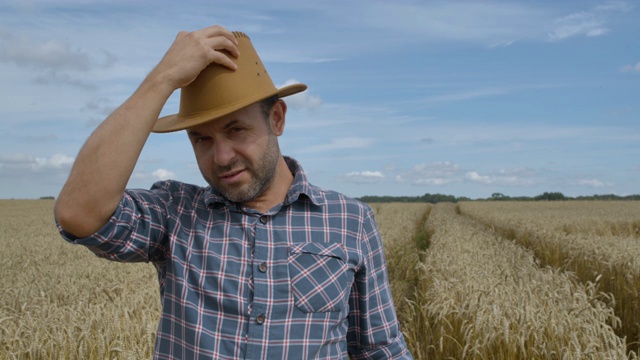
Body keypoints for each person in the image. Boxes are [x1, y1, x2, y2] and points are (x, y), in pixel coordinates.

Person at [54, 25, 412, 359]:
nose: (221, 157)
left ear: (277, 119)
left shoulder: (350, 220)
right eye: (202, 139)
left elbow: (379, 348)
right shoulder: (177, 213)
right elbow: (79, 212)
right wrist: (162, 78)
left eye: (236, 130)